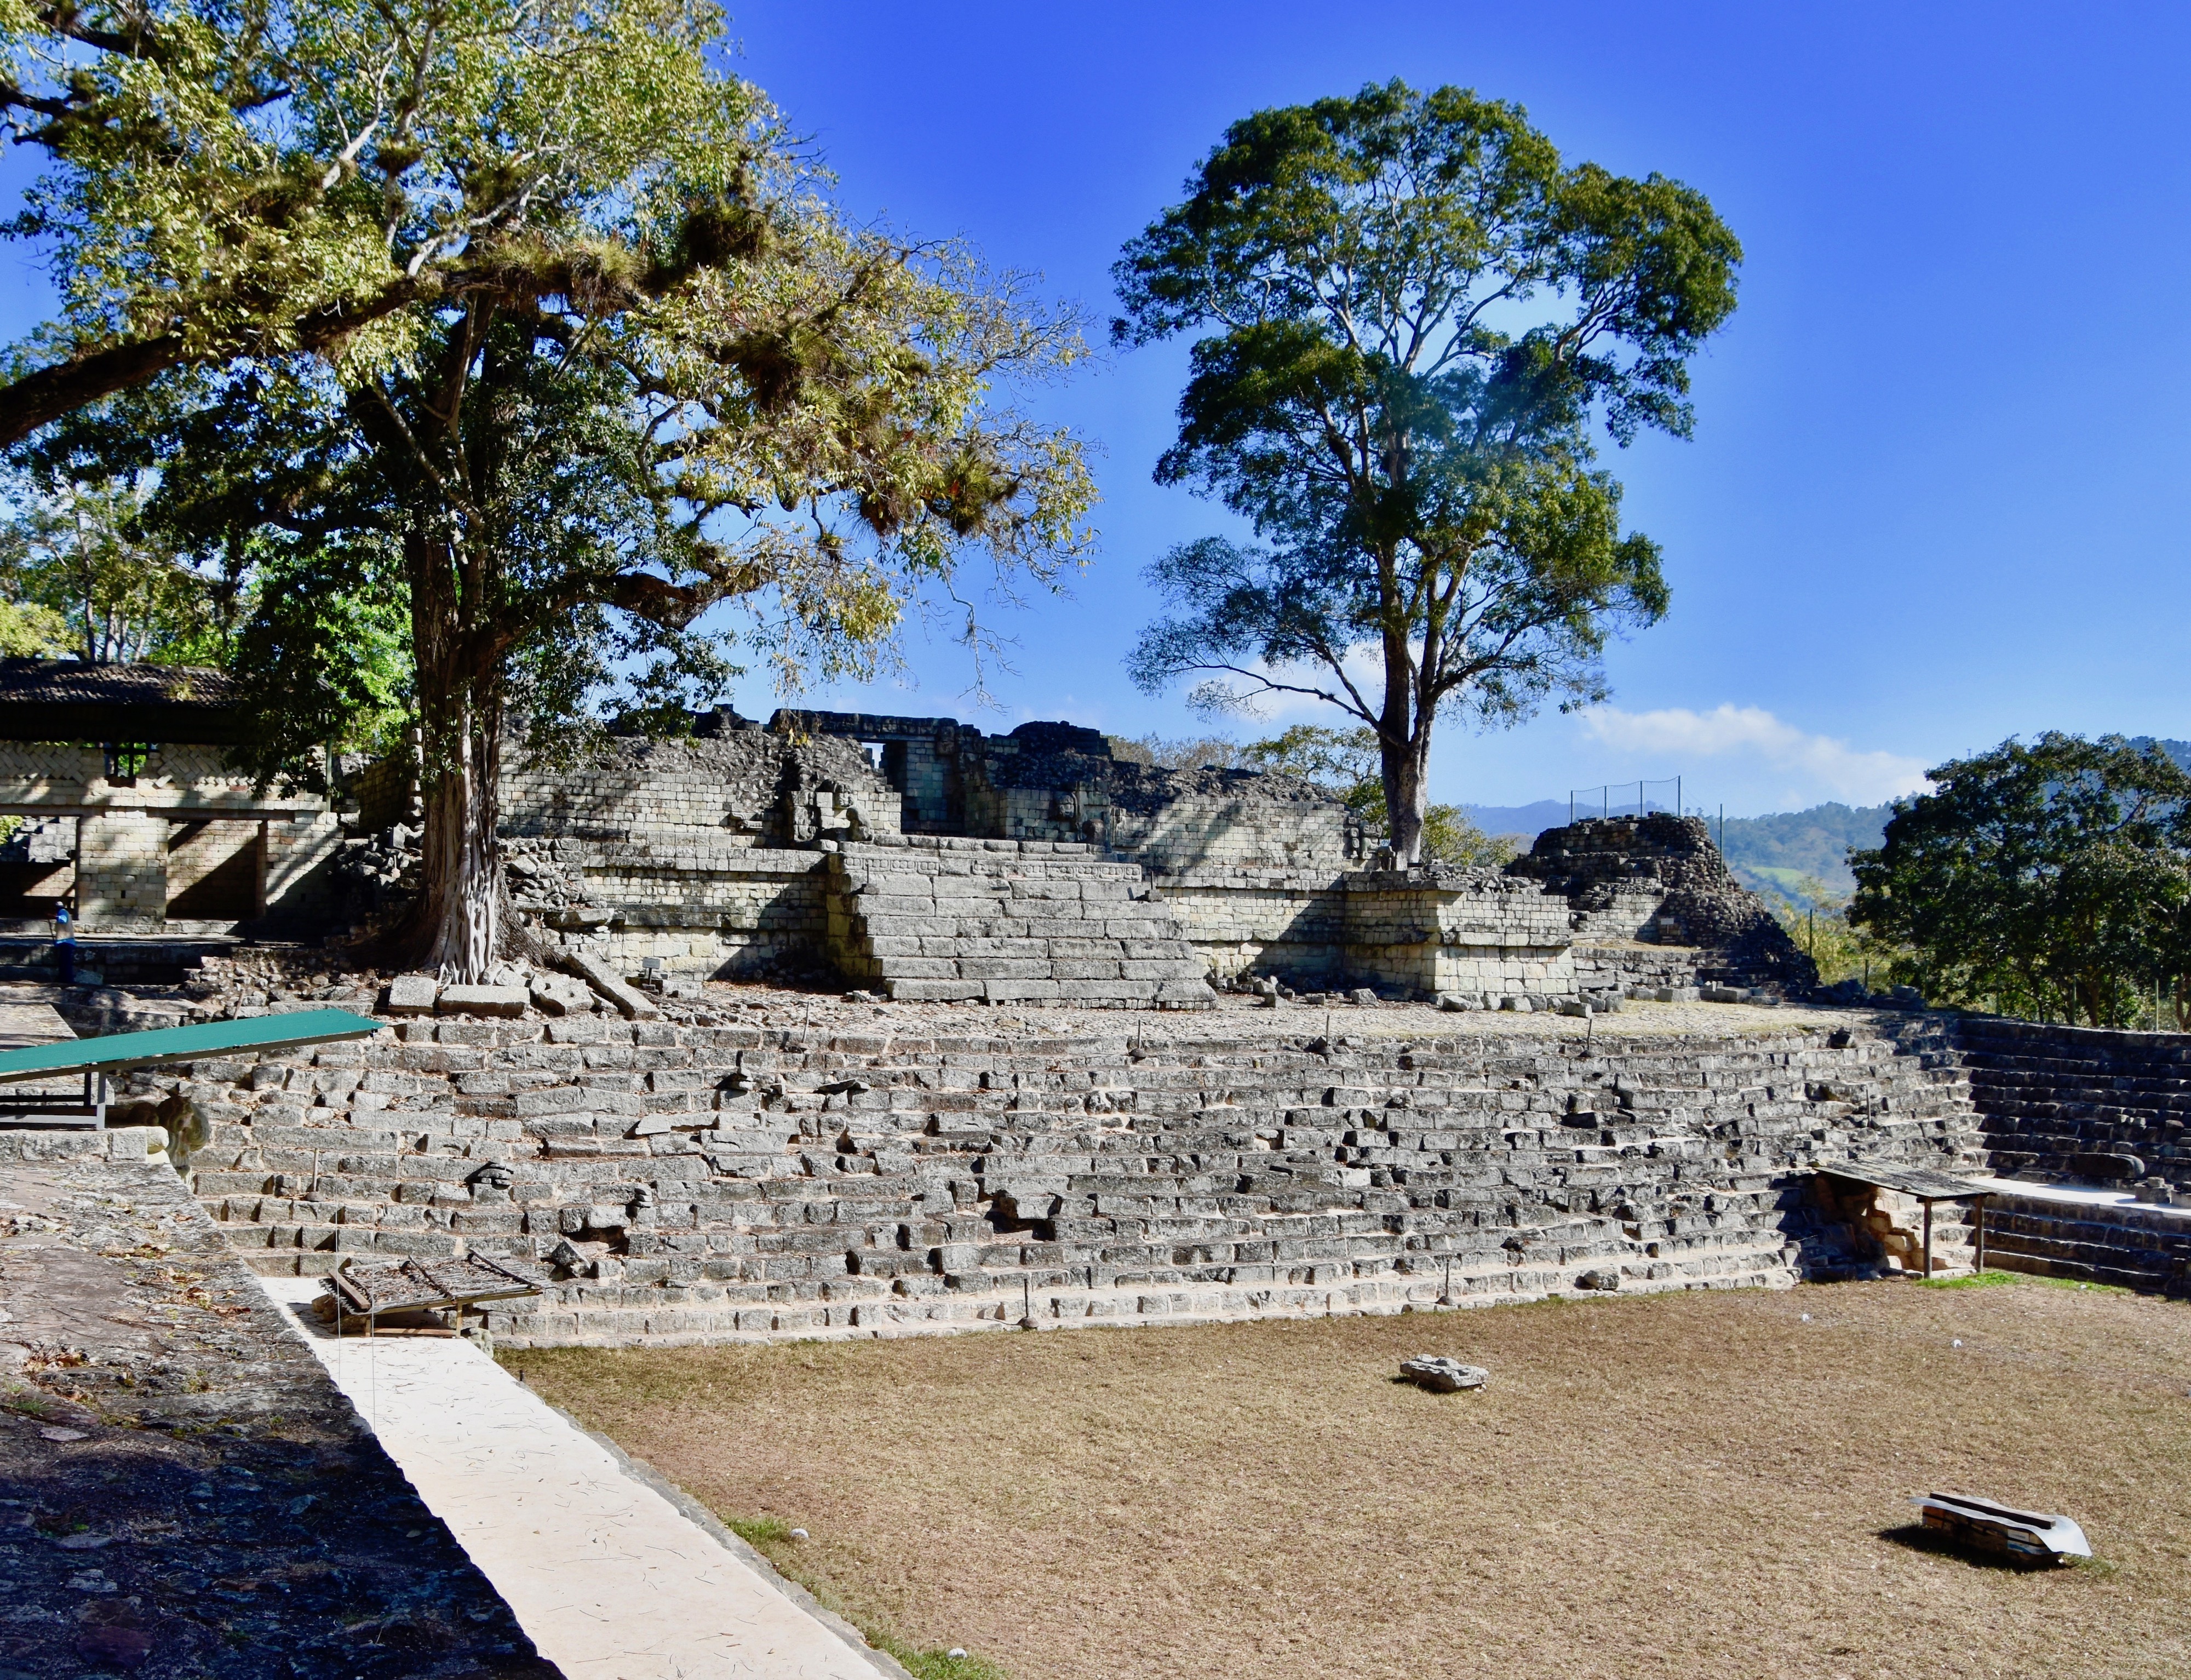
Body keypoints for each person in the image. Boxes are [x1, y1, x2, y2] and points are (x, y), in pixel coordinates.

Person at [51, 903, 76, 987]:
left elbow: (63, 920)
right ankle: (63, 979)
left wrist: (53, 917)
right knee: (63, 962)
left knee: (66, 962)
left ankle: (68, 980)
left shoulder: (62, 912)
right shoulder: (64, 912)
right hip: (65, 941)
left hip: (66, 941)